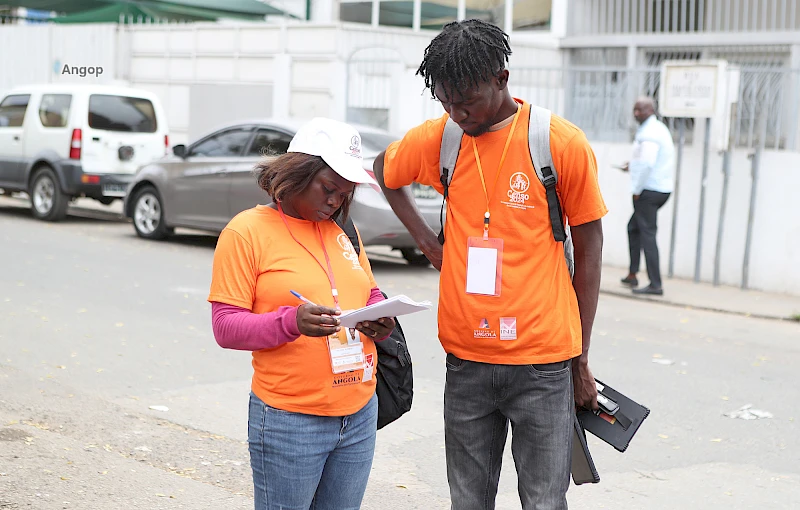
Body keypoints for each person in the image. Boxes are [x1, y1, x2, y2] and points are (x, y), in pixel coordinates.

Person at [373, 19, 607, 510]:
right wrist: (425, 242)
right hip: (467, 361)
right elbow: (383, 169)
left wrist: (580, 360)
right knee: (468, 501)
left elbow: (589, 251)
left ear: (502, 78)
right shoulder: (443, 139)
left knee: (544, 501)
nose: (458, 113)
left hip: (542, 363)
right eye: (445, 101)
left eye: (469, 100)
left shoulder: (557, 142)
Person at [207, 117, 396, 510]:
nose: (336, 202)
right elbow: (225, 327)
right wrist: (290, 322)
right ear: (296, 173)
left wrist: (379, 318)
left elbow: (368, 289)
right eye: (329, 189)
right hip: (290, 421)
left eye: (345, 194)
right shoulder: (247, 232)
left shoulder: (342, 230)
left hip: (359, 413)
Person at [619, 97, 675, 296]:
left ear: (650, 110)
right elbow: (644, 161)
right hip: (660, 188)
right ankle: (632, 274)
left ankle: (655, 284)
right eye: (634, 109)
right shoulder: (657, 128)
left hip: (649, 191)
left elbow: (647, 163)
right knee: (634, 228)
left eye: (640, 110)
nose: (636, 113)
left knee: (647, 234)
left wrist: (636, 189)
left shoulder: (650, 133)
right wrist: (632, 165)